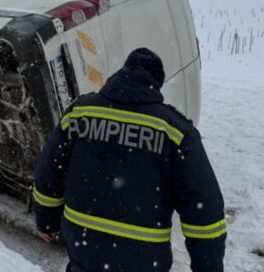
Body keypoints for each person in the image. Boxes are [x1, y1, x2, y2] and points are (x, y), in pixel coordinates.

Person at [34, 48, 226, 272]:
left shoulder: (79, 113)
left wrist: (46, 221)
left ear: (122, 72)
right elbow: (204, 209)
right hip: (143, 258)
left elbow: (49, 171)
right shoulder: (175, 131)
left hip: (84, 248)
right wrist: (209, 267)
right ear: (157, 84)